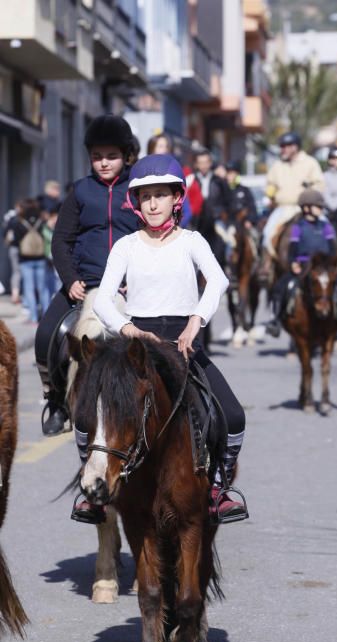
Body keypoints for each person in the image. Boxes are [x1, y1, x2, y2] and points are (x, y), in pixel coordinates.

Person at [88, 153, 247, 523]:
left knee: (233, 416)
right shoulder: (125, 246)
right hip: (137, 349)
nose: (154, 203)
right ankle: (93, 487)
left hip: (184, 345)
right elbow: (104, 299)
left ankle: (218, 488)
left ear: (177, 199)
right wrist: (127, 328)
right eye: (146, 196)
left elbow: (218, 281)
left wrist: (195, 321)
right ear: (136, 203)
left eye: (161, 194)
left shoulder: (192, 241)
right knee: (89, 413)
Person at [34, 114, 139, 436]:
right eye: (97, 156)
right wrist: (70, 279)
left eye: (111, 156)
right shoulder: (79, 192)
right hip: (84, 284)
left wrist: (135, 279)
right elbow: (62, 241)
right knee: (45, 337)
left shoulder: (138, 190)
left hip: (128, 288)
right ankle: (55, 400)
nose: (104, 163)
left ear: (126, 155)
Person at [265, 189, 337, 338]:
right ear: (307, 207)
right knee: (280, 287)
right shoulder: (298, 227)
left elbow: (332, 249)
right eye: (318, 206)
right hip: (304, 265)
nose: (321, 209)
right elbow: (292, 250)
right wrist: (293, 263)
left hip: (323, 267)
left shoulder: (326, 226)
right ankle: (276, 320)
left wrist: (334, 265)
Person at [262, 132, 324, 260]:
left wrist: (309, 195)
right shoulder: (278, 165)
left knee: (326, 229)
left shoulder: (310, 162)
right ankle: (266, 267)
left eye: (286, 146)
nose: (283, 149)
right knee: (267, 234)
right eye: (282, 146)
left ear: (295, 147)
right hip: (283, 209)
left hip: (306, 208)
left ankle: (329, 265)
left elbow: (320, 184)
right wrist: (269, 194)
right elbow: (271, 184)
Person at [7, 198, 49, 325]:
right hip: (41, 258)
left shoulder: (18, 222)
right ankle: (47, 317)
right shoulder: (41, 221)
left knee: (29, 288)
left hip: (25, 259)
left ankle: (34, 317)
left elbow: (14, 240)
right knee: (43, 288)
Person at [147, 132, 194, 228]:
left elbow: (186, 209)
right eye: (160, 146)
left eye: (166, 147)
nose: (164, 150)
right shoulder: (143, 173)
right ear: (151, 149)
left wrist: (175, 228)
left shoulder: (174, 171)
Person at [192, 149, 230, 266]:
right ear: (197, 164)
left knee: (225, 244)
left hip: (216, 220)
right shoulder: (192, 180)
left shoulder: (218, 181)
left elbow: (227, 200)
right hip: (197, 222)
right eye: (200, 162)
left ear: (210, 163)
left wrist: (222, 213)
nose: (203, 166)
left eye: (206, 162)